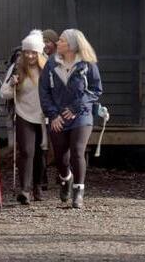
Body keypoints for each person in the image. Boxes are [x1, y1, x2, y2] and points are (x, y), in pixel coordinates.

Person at [39, 29, 102, 208]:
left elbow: (96, 90)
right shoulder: (51, 64)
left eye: (61, 40)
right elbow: (44, 91)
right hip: (58, 116)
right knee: (61, 157)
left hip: (81, 115)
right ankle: (66, 178)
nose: (57, 43)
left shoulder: (87, 64)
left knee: (77, 151)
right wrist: (53, 115)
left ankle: (78, 192)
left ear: (72, 45)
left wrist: (76, 106)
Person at [0, 30, 48, 204]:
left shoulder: (47, 68)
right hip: (23, 114)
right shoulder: (16, 67)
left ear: (39, 53)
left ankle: (37, 186)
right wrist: (12, 84)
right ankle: (25, 190)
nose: (30, 56)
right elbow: (4, 93)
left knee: (40, 154)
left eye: (33, 52)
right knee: (27, 151)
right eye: (27, 52)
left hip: (43, 116)